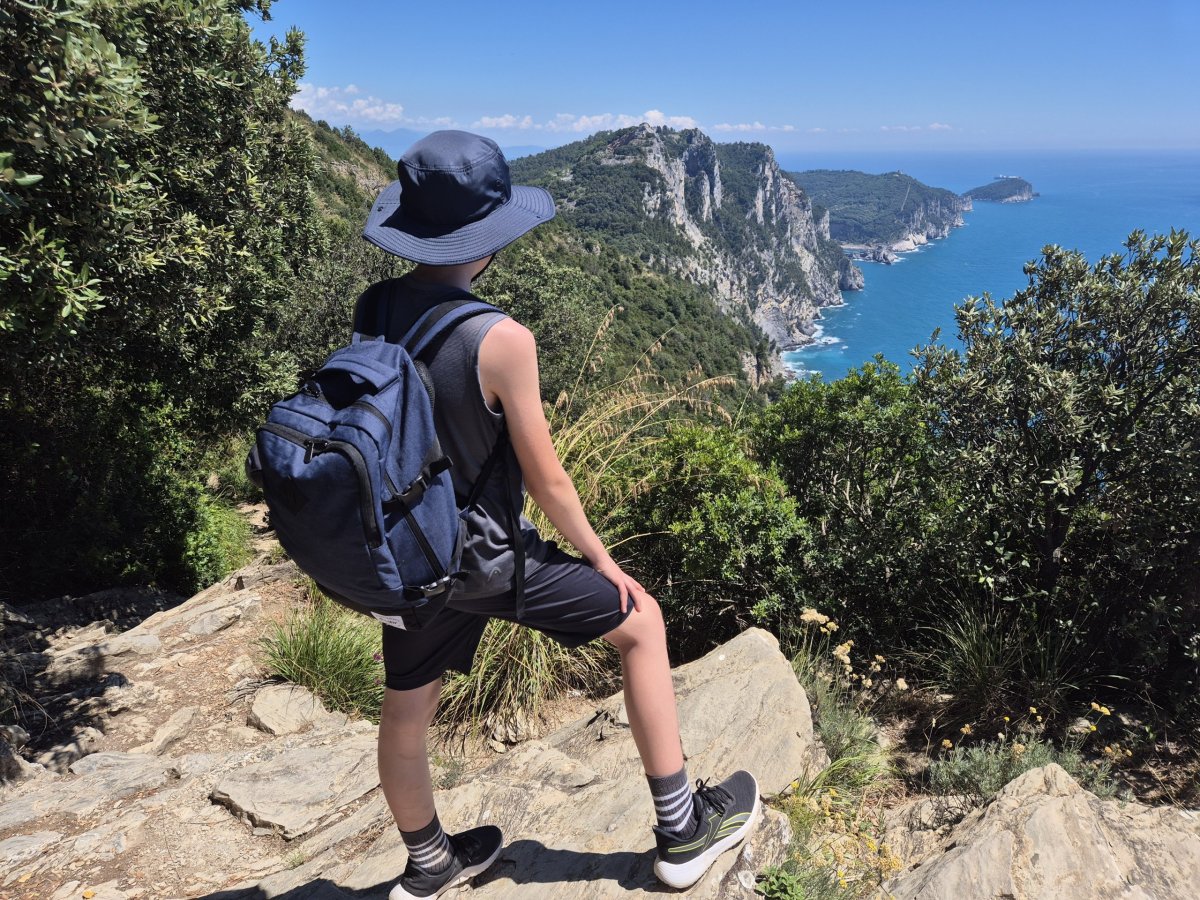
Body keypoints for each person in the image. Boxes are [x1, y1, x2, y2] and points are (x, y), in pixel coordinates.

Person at [356, 130, 758, 899]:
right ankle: (683, 832)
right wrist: (608, 566)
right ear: (489, 237)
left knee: (406, 709)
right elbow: (549, 483)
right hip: (486, 561)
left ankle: (429, 860)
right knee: (642, 624)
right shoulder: (501, 339)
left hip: (408, 556)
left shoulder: (374, 307)